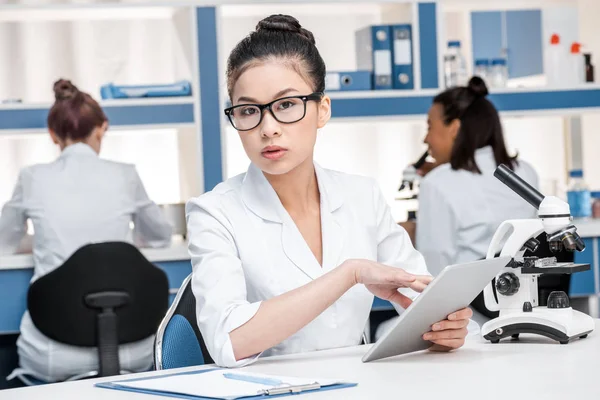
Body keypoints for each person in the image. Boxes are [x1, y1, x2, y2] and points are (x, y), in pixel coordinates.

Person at [186, 14, 472, 368]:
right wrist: (348, 274)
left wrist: (445, 329)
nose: (268, 128)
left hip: (359, 384)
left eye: (286, 105)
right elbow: (228, 343)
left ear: (322, 109)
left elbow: (422, 300)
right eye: (248, 111)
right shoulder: (214, 212)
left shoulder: (362, 196)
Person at [0, 79, 172, 382]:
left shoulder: (32, 177)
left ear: (53, 135)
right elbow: (160, 236)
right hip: (133, 350)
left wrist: (42, 237)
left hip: (54, 355)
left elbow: (3, 242)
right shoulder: (125, 174)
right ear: (102, 127)